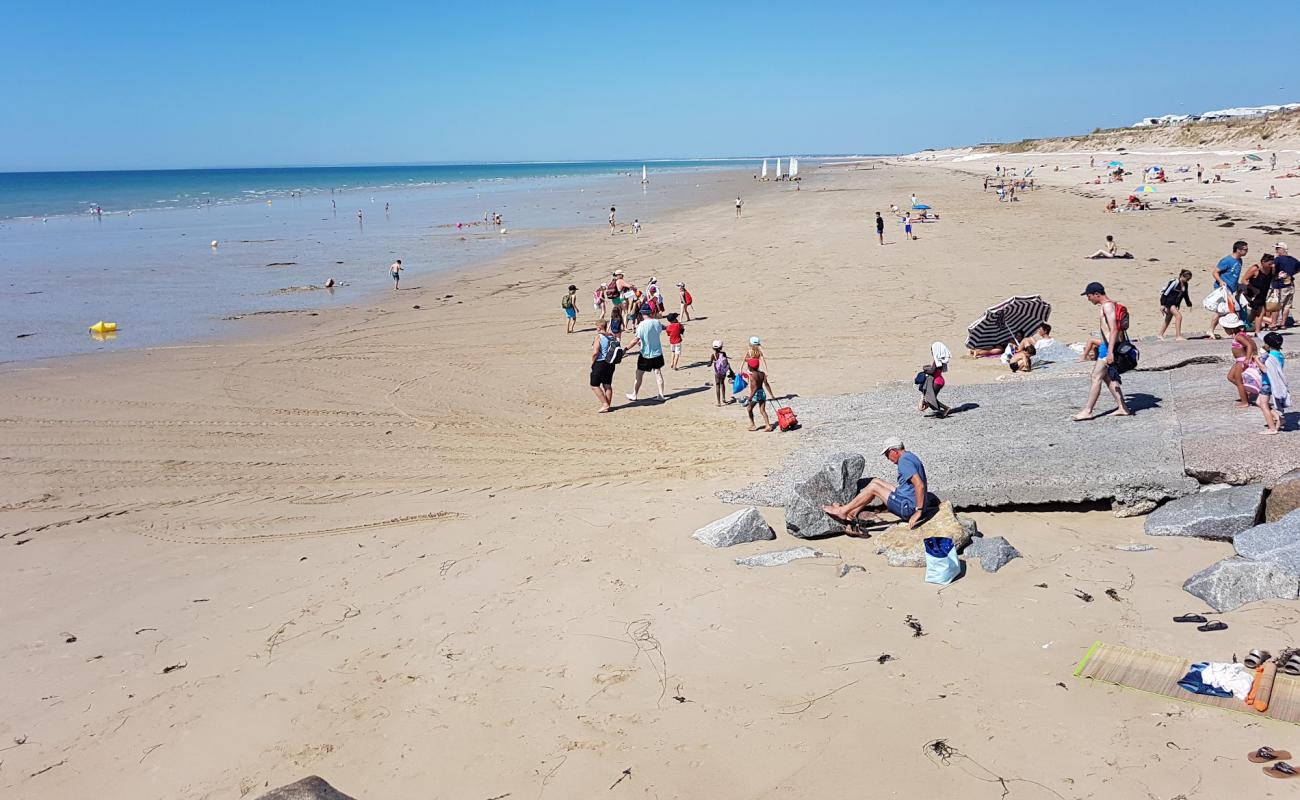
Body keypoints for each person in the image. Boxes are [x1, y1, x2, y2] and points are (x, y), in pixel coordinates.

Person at [821, 437, 928, 529]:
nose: (887, 457)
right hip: (908, 499)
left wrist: (918, 511)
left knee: (873, 487)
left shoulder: (904, 462)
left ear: (894, 451)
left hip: (908, 509)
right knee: (875, 481)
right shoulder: (910, 456)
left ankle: (843, 511)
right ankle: (852, 513)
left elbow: (920, 485)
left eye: (887, 453)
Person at [1074, 281, 1131, 420]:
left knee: (1095, 376)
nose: (1088, 299)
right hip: (1108, 345)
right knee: (1107, 377)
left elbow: (1114, 329)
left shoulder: (1107, 306)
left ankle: (1088, 411)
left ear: (1096, 294)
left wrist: (1110, 351)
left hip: (1108, 346)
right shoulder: (1110, 305)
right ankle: (1123, 407)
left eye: (1089, 296)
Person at [1206, 241, 1248, 339]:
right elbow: (1215, 272)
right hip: (1222, 289)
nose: (1247, 251)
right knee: (1222, 310)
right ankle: (1211, 330)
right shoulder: (1227, 260)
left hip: (1232, 289)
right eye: (1245, 249)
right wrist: (1220, 281)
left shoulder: (1240, 260)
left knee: (1232, 309)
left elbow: (1234, 275)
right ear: (1238, 250)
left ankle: (1234, 331)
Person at [626, 308, 666, 402]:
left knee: (639, 374)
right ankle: (661, 395)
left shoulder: (641, 325)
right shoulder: (657, 322)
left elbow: (636, 340)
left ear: (642, 314)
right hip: (657, 352)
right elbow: (660, 330)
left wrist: (626, 348)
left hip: (646, 354)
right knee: (658, 373)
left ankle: (634, 394)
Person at [1220, 314, 1258, 408]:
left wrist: (1247, 358)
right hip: (1239, 361)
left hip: (1241, 361)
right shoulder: (1241, 335)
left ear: (1231, 328)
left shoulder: (1238, 337)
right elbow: (1252, 344)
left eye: (1226, 328)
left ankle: (1245, 401)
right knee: (1230, 377)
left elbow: (1249, 345)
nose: (1225, 330)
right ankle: (1247, 391)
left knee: (1239, 381)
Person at [1255, 332, 1289, 435]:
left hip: (1267, 383)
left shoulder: (1271, 357)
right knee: (1258, 402)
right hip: (1269, 382)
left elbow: (1265, 370)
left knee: (1264, 404)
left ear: (1268, 345)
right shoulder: (1278, 354)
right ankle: (1278, 417)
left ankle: (1272, 428)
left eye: (1265, 343)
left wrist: (1257, 360)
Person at [589, 320, 619, 413]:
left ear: (599, 327)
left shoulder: (599, 337)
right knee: (607, 385)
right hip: (610, 363)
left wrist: (592, 362)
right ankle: (607, 405)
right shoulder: (611, 336)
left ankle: (605, 404)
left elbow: (595, 352)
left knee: (594, 385)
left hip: (600, 362)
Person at [1241, 254, 1277, 327]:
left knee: (1257, 313)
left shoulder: (1272, 269)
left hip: (1263, 294)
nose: (1272, 265)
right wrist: (1253, 289)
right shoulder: (1255, 269)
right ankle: (1255, 331)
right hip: (1252, 294)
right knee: (1258, 312)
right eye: (1269, 264)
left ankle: (1250, 329)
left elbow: (1272, 278)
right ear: (1263, 262)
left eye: (1273, 263)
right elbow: (1244, 280)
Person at [917, 341, 951, 417]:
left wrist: (925, 370)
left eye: (932, 350)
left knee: (930, 398)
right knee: (931, 398)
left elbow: (932, 371)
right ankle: (944, 409)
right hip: (939, 380)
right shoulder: (940, 360)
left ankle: (946, 408)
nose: (932, 352)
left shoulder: (937, 361)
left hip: (937, 382)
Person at [1158, 270, 1193, 340]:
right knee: (1178, 316)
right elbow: (1165, 293)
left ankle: (1160, 334)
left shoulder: (1185, 284)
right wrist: (1162, 304)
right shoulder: (1175, 282)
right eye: (1187, 278)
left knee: (1168, 319)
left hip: (1175, 303)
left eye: (1189, 279)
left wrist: (1189, 303)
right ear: (1182, 276)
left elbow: (1185, 295)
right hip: (1169, 302)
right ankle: (1178, 336)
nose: (1188, 280)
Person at [744, 358, 775, 432]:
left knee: (749, 409)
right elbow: (766, 384)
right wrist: (771, 394)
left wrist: (750, 398)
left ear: (750, 367)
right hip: (762, 393)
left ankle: (753, 425)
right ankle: (768, 425)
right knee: (762, 410)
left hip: (756, 394)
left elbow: (755, 388)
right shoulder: (762, 374)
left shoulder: (752, 375)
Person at [1273, 242, 1298, 329]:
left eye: (1277, 249)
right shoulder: (1293, 260)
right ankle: (1283, 324)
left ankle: (1274, 324)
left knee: (1278, 305)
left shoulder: (1278, 259)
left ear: (1281, 249)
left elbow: (1273, 269)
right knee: (1287, 306)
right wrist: (1290, 274)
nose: (1276, 251)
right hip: (1290, 284)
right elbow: (1298, 268)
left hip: (1281, 285)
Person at [709, 340, 732, 406]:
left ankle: (719, 402)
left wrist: (710, 363)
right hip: (723, 372)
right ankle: (724, 398)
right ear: (721, 347)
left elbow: (710, 364)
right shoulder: (723, 354)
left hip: (717, 372)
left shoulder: (713, 355)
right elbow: (726, 362)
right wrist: (730, 370)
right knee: (722, 384)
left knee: (717, 385)